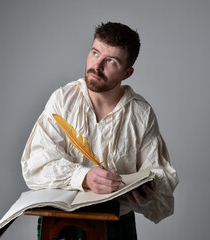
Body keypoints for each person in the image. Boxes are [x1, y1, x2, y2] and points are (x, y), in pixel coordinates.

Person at [21, 22, 178, 240]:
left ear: (127, 72)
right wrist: (84, 177)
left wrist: (148, 194)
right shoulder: (62, 100)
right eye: (95, 53)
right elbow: (36, 165)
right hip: (61, 223)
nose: (97, 65)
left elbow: (160, 180)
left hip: (115, 224)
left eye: (111, 61)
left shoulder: (141, 114)